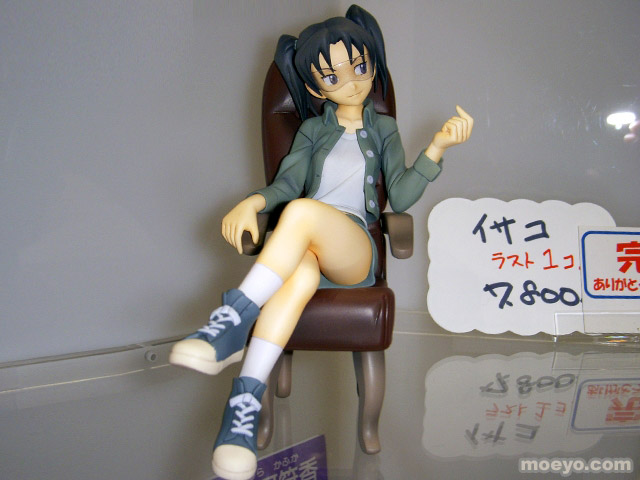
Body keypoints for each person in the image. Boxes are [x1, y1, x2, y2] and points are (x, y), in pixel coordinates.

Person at [169, 5, 473, 479]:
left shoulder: (383, 128)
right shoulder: (312, 130)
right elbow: (287, 184)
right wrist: (252, 202)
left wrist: (436, 148)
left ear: (372, 64)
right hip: (305, 248)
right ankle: (241, 413)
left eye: (359, 67)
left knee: (302, 213)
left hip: (353, 253)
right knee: (297, 275)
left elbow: (401, 195)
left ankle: (233, 318)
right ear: (315, 89)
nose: (351, 83)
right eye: (333, 76)